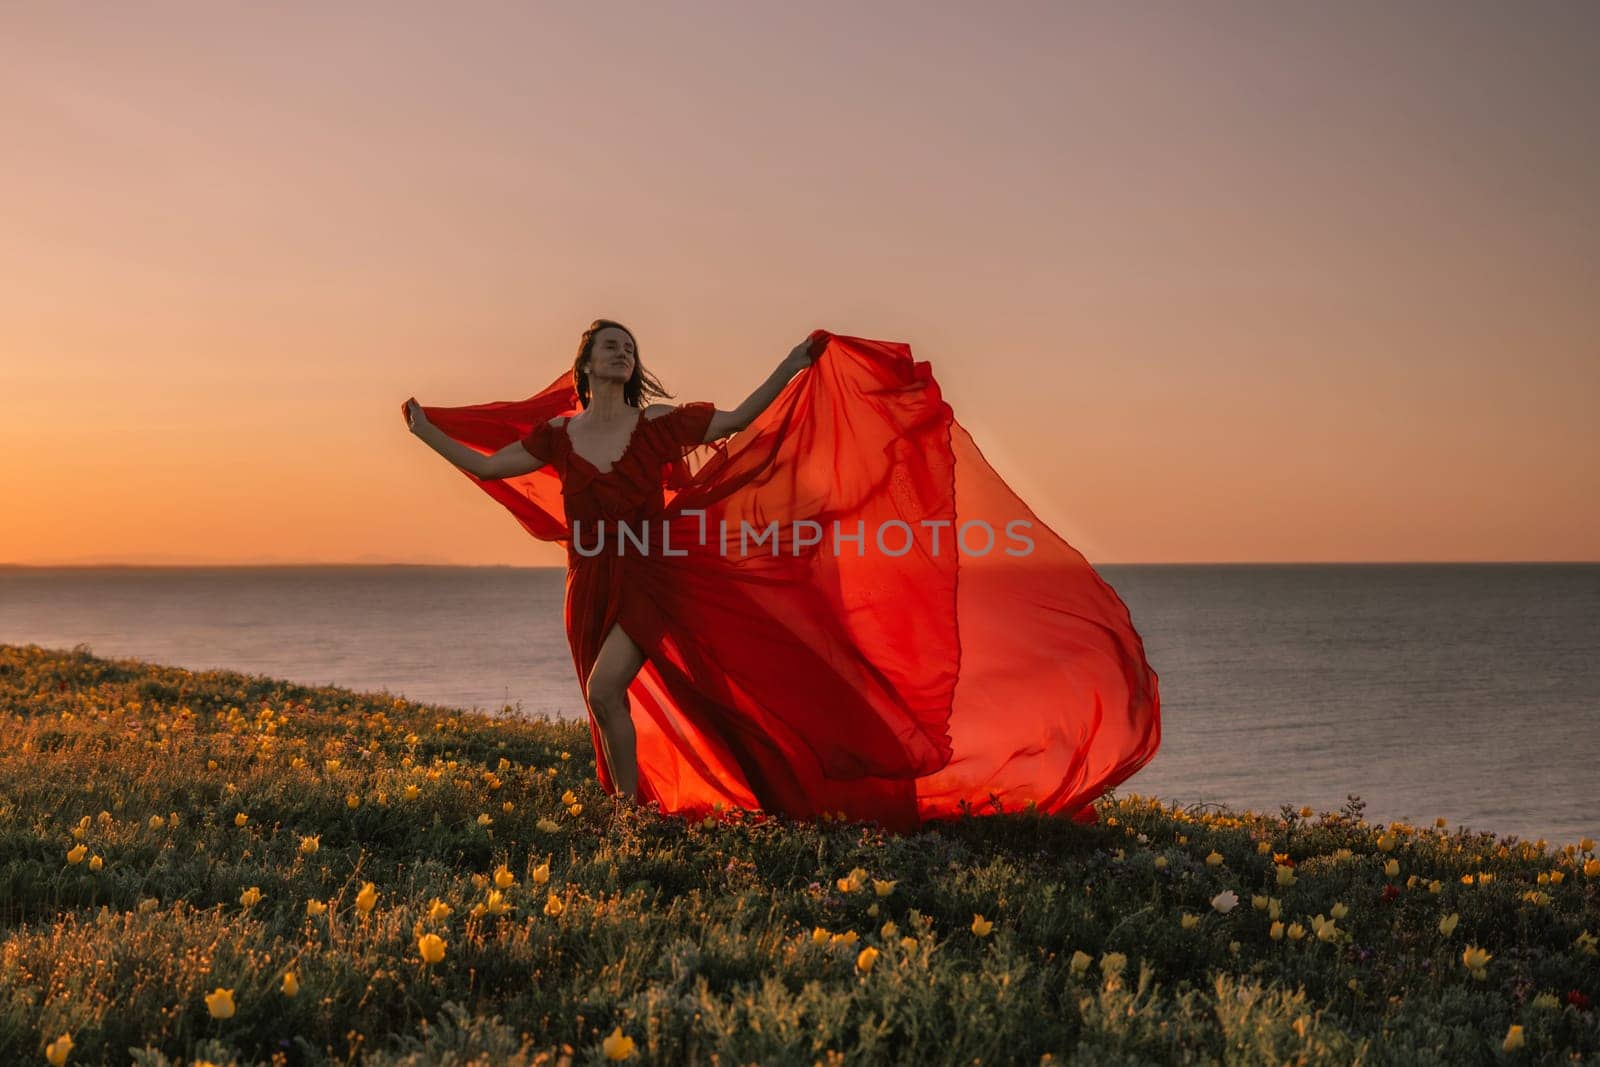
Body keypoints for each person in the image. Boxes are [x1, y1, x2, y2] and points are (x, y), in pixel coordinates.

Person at [404, 320, 1161, 833]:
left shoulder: (660, 423)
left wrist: (794, 367)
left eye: (628, 346)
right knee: (632, 698)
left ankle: (627, 820)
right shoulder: (557, 435)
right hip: (589, 580)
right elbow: (484, 463)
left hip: (653, 574)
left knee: (607, 689)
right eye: (609, 345)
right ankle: (666, 798)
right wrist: (427, 431)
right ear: (586, 365)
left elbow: (738, 423)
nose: (622, 353)